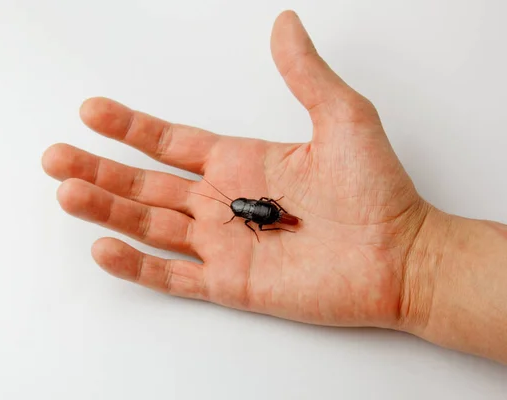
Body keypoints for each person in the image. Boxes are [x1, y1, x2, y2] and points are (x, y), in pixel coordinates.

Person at [41, 10, 507, 365]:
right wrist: (420, 261)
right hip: (270, 213)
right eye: (240, 210)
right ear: (245, 211)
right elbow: (256, 211)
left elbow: (254, 213)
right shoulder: (247, 211)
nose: (241, 209)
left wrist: (416, 256)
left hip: (271, 214)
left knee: (274, 218)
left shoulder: (246, 212)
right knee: (273, 217)